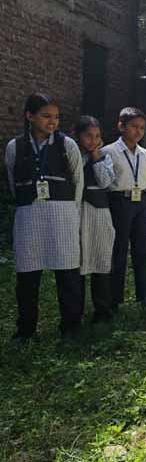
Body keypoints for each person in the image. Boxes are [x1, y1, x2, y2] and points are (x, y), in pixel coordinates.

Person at [5, 93, 83, 341]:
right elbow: (12, 181)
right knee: (27, 276)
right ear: (30, 116)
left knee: (68, 274)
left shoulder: (67, 145)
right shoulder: (15, 147)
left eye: (57, 117)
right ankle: (26, 330)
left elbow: (78, 180)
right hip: (29, 216)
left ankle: (70, 327)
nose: (53, 122)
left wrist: (74, 213)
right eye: (46, 116)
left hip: (62, 215)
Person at [103, 107, 146, 310]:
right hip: (120, 201)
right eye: (134, 126)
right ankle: (115, 300)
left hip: (142, 200)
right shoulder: (109, 151)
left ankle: (144, 296)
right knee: (119, 250)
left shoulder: (145, 153)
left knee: (143, 250)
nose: (138, 131)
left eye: (142, 127)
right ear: (121, 126)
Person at [74, 115, 116, 323]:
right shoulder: (72, 157)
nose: (92, 140)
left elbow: (106, 181)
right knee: (77, 263)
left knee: (101, 260)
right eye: (88, 136)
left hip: (99, 215)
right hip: (77, 215)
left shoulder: (104, 157)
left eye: (97, 136)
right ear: (78, 136)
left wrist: (96, 155)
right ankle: (75, 311)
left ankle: (102, 310)